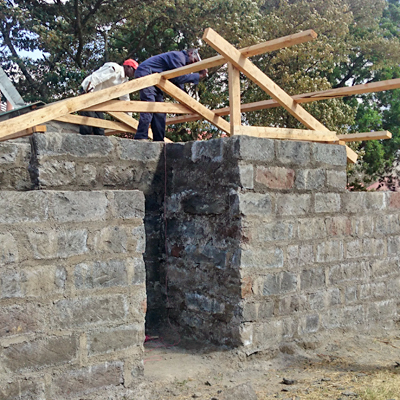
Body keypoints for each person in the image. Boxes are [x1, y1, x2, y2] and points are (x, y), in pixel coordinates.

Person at [134, 49, 207, 141]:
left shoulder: (179, 62)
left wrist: (188, 103)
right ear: (190, 53)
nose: (192, 63)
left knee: (160, 110)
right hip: (146, 74)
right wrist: (198, 76)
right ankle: (141, 137)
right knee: (149, 104)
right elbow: (179, 78)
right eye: (194, 60)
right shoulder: (178, 57)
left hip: (155, 80)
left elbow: (179, 86)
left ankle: (159, 141)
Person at [79, 59, 139, 135]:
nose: (134, 73)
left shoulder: (124, 81)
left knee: (100, 128)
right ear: (127, 67)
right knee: (88, 122)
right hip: (89, 93)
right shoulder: (115, 68)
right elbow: (97, 77)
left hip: (98, 100)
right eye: (133, 70)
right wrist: (88, 91)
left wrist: (129, 119)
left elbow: (125, 99)